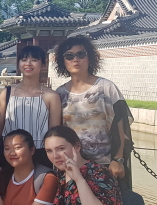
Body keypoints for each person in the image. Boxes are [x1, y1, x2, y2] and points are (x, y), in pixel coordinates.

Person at [54, 35, 132, 186]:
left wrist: (118, 159)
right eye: (69, 56)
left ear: (89, 58)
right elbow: (59, 132)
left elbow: (121, 126)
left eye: (81, 54)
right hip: (73, 165)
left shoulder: (106, 87)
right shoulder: (60, 93)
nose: (75, 60)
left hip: (105, 165)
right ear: (63, 61)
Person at [0, 45, 62, 176]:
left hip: (40, 153)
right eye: (24, 60)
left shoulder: (51, 96)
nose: (28, 63)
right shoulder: (7, 93)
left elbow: (54, 132)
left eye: (34, 60)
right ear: (18, 64)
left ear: (43, 65)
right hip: (9, 153)